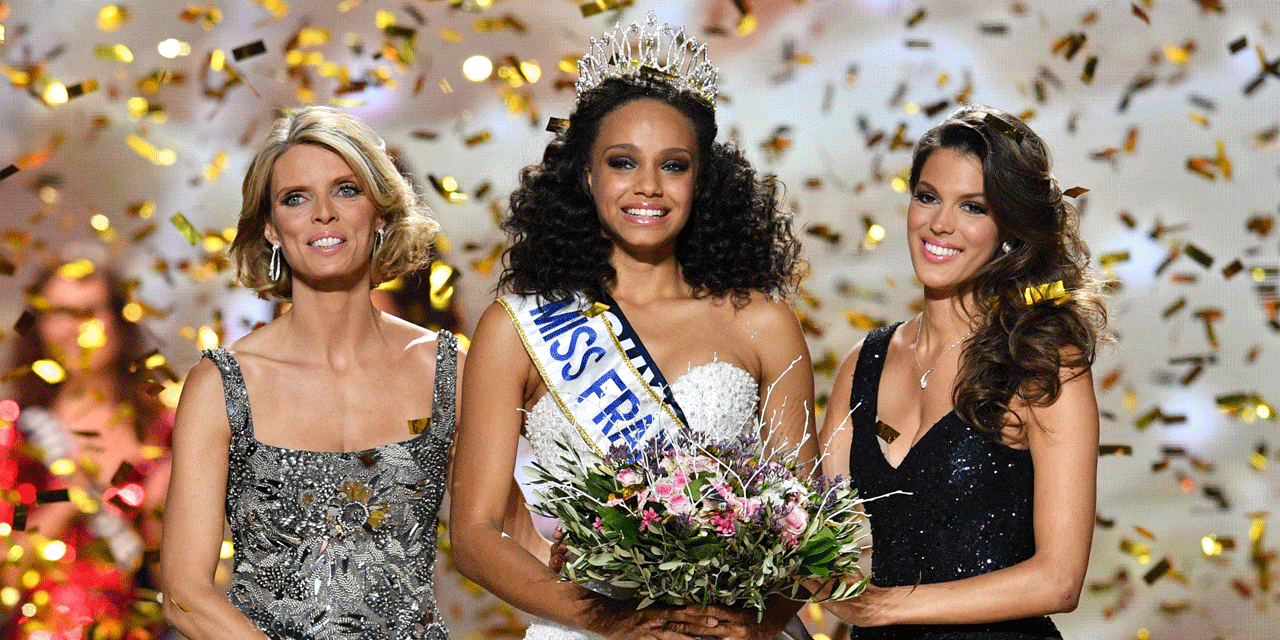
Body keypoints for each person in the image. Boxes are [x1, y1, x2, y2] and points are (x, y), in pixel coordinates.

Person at [449, 12, 816, 640]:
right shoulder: (516, 328)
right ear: (588, 175)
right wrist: (611, 621)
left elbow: (802, 522)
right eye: (624, 162)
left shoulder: (762, 322)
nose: (649, 186)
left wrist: (760, 621)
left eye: (674, 165)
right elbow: (476, 535)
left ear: (702, 182)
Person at [159, 105, 458, 639]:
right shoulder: (223, 386)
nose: (324, 213)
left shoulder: (449, 370)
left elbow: (505, 537)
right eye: (296, 198)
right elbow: (184, 595)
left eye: (346, 190)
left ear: (382, 213)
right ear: (272, 229)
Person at [815, 105, 1108, 638]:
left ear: (1010, 230)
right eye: (927, 197)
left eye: (972, 206)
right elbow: (806, 534)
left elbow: (1059, 580)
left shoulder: (1042, 363)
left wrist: (886, 606)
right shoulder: (865, 361)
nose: (940, 223)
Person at [3, 260, 172, 639]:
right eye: (59, 313)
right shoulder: (16, 434)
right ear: (40, 326)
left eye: (88, 311)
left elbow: (182, 594)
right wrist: (68, 492)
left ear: (119, 319)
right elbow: (7, 575)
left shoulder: (164, 430)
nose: (76, 329)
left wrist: (160, 520)